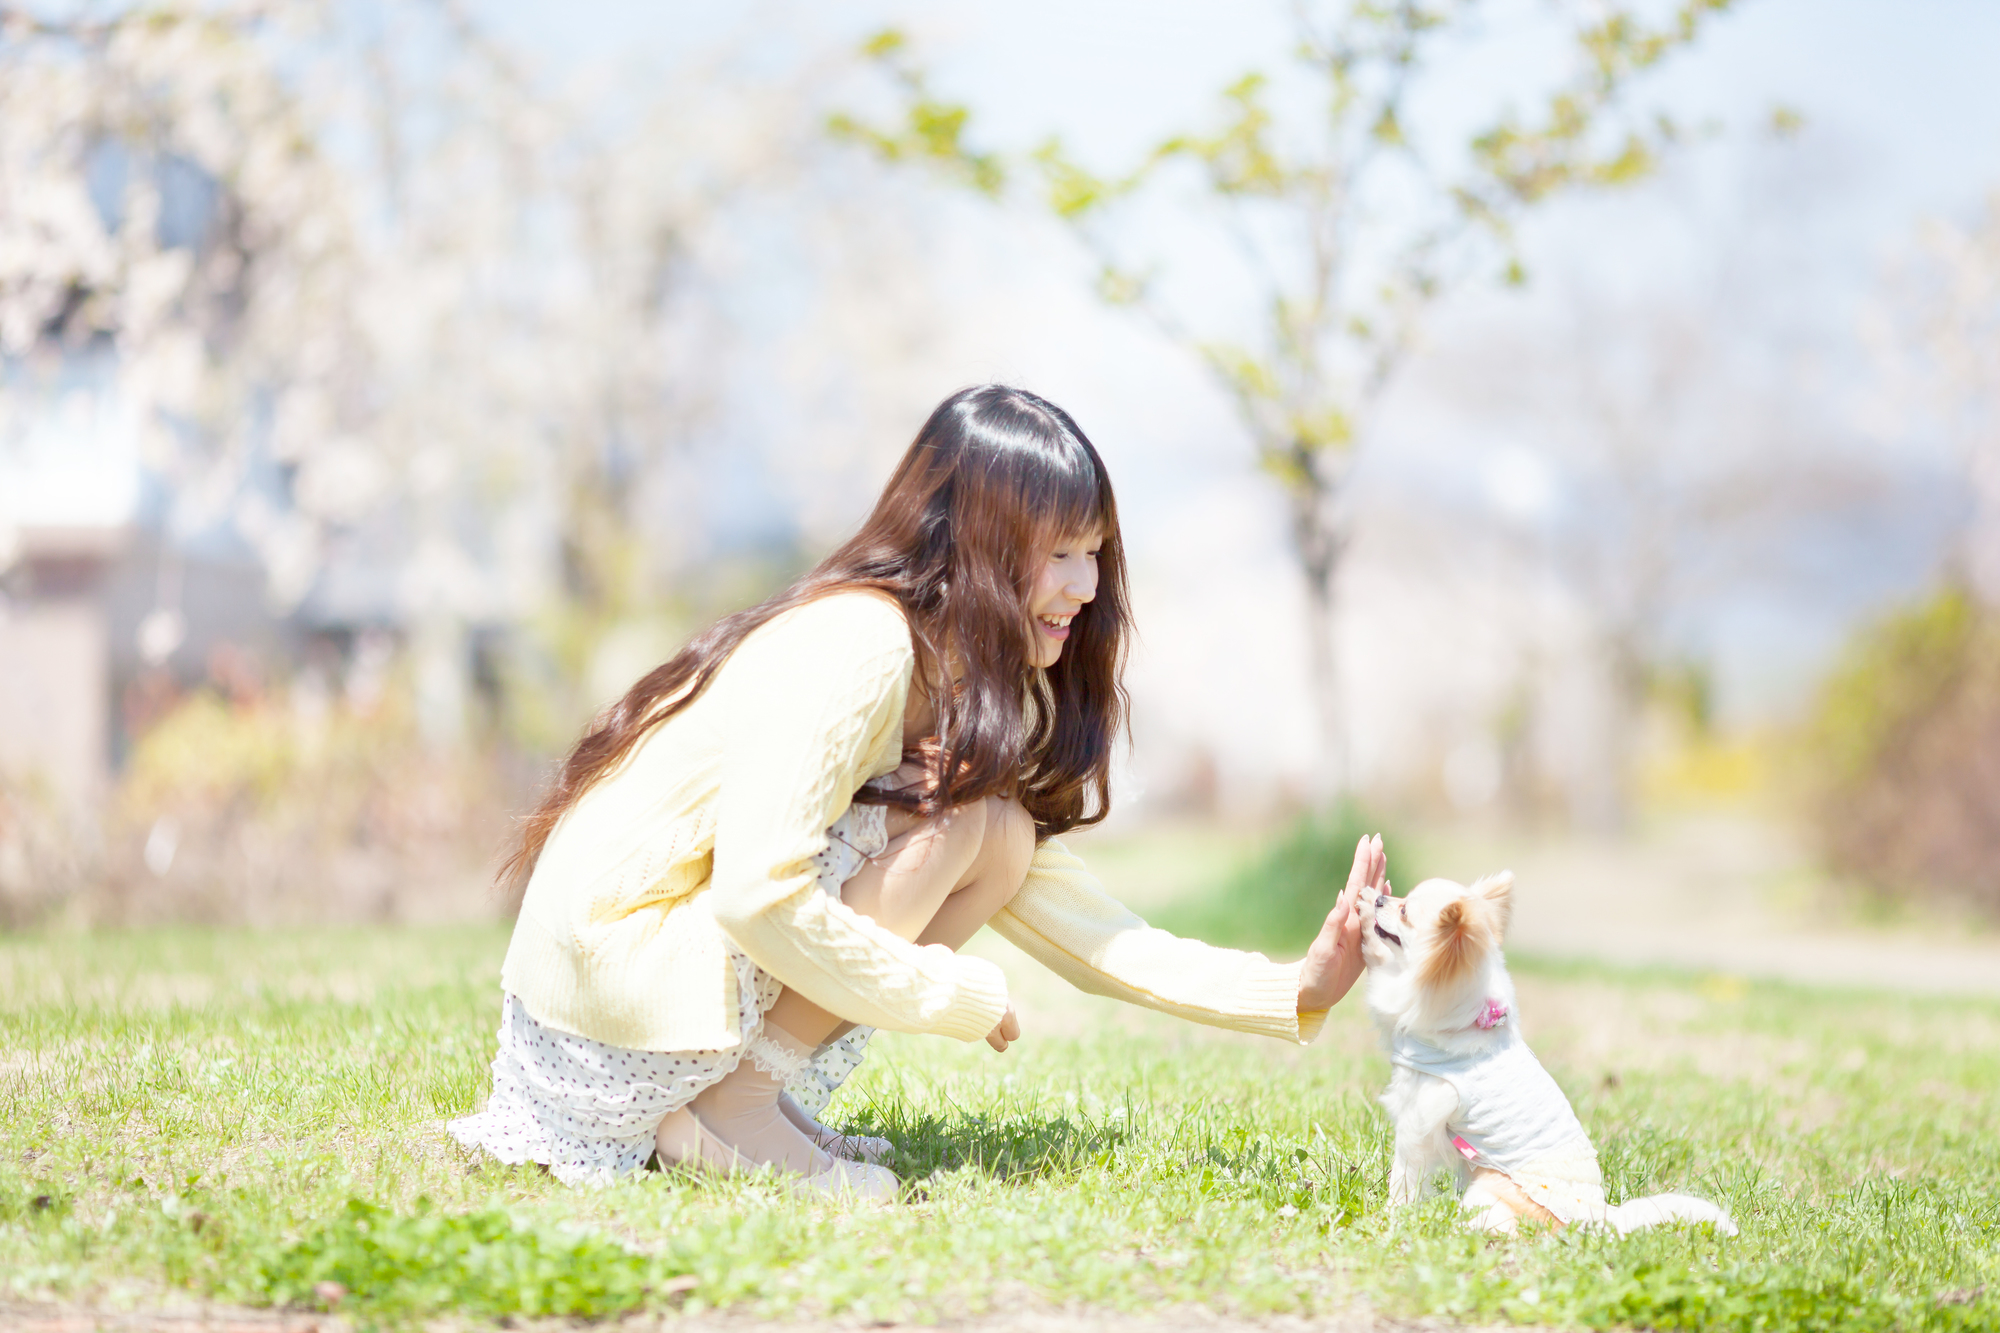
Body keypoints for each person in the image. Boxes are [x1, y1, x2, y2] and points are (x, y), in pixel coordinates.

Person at [449, 385, 1386, 1198]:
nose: (1088, 584)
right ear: (976, 542)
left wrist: (1292, 988)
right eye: (1058, 551)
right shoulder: (863, 645)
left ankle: (736, 1101)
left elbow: (1085, 925)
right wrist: (942, 991)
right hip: (604, 1004)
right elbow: (754, 891)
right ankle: (728, 1112)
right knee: (981, 825)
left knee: (1003, 834)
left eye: (1094, 550)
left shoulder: (955, 675)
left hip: (641, 992)